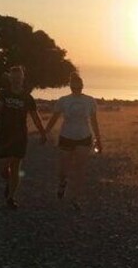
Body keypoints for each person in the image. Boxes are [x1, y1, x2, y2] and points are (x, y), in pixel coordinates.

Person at [44, 71, 102, 210]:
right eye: (74, 85)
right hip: (66, 137)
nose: (77, 87)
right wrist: (45, 133)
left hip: (84, 137)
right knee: (63, 169)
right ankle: (62, 183)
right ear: (70, 86)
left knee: (80, 169)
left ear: (82, 86)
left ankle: (75, 198)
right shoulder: (63, 100)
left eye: (79, 85)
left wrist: (98, 139)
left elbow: (94, 121)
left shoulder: (90, 101)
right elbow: (54, 117)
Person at [0, 66, 47, 209]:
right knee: (3, 169)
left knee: (16, 166)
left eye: (19, 77)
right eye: (14, 77)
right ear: (9, 78)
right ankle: (9, 182)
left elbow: (35, 117)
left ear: (23, 78)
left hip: (20, 135)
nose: (16, 80)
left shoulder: (27, 98)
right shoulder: (3, 94)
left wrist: (43, 133)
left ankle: (11, 198)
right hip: (4, 135)